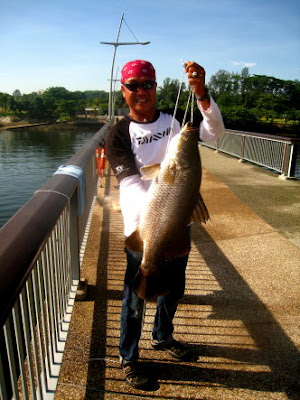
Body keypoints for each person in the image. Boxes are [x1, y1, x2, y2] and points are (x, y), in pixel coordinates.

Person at [106, 59, 224, 388]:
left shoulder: (175, 123)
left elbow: (214, 131)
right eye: (134, 85)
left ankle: (163, 336)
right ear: (123, 90)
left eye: (147, 84)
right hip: (143, 228)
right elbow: (129, 183)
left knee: (174, 289)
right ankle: (128, 356)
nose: (141, 91)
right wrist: (157, 220)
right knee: (134, 300)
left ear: (156, 88)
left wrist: (201, 94)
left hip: (177, 224)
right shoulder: (118, 133)